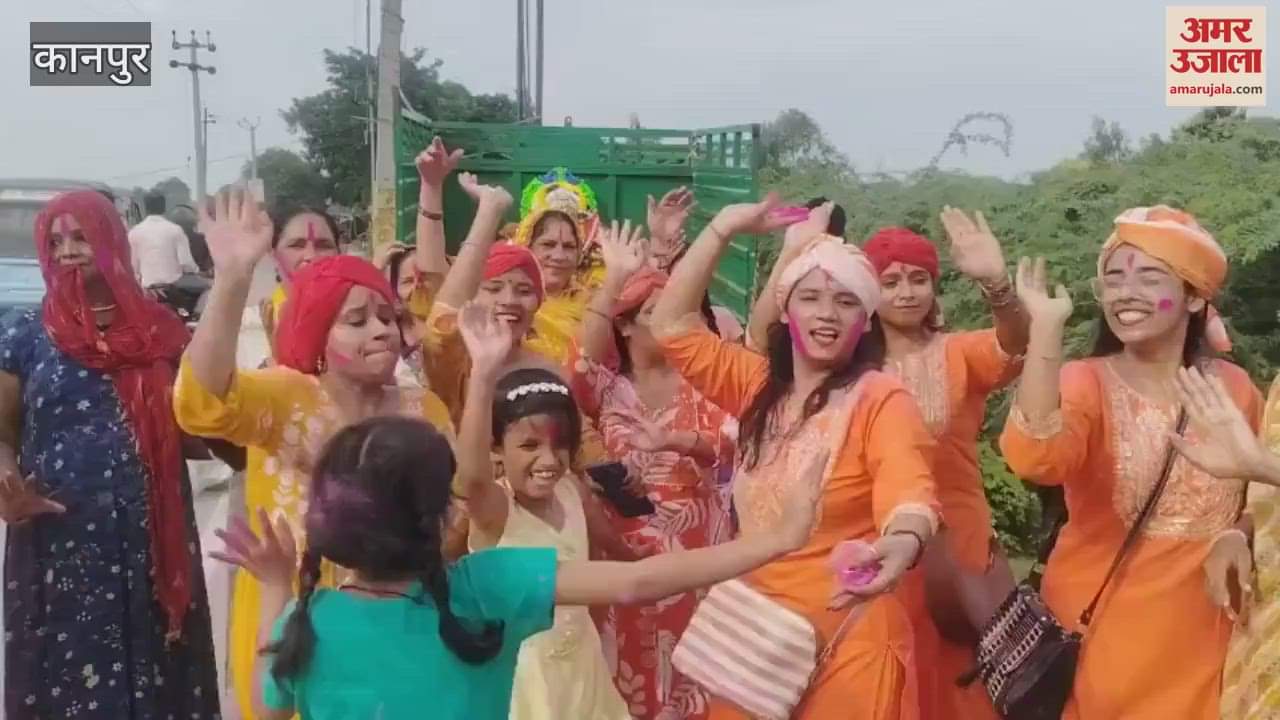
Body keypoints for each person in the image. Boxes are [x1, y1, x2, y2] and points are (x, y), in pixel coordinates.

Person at [213, 409, 821, 720]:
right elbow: (638, 581)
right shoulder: (483, 588)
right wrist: (778, 538)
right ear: (439, 520)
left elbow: (266, 709)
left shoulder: (308, 621)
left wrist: (273, 584)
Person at [650, 196, 940, 719]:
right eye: (810, 297)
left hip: (845, 639)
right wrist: (722, 227)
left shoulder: (881, 399)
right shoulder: (757, 384)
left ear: (867, 318)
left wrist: (903, 541)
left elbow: (910, 487)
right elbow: (671, 323)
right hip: (754, 640)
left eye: (846, 301)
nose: (826, 314)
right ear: (786, 310)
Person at [173, 189, 455, 720]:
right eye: (355, 321)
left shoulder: (425, 409)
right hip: (297, 606)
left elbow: (454, 507)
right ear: (318, 335)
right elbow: (202, 405)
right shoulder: (289, 396)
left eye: (385, 317)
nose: (378, 330)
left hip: (402, 613)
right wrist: (233, 276)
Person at [999, 206, 1261, 720]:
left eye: (1149, 276)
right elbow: (1036, 460)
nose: (1126, 292)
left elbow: (1264, 495)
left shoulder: (1236, 389)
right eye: (1114, 278)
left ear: (1192, 296)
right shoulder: (1084, 380)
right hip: (1101, 635)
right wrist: (1046, 333)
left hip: (1209, 632)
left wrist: (1239, 533)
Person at [0, 190, 220, 718]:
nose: (68, 250)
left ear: (113, 243)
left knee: (161, 664)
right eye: (55, 241)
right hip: (60, 536)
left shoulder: (163, 332)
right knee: (63, 673)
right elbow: (3, 433)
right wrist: (6, 479)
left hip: (152, 536)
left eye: (82, 237)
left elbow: (199, 425)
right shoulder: (26, 334)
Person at [853, 213, 1026, 720]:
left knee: (960, 677)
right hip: (877, 537)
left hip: (959, 542)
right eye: (889, 281)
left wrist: (997, 285)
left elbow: (1015, 345)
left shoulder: (957, 352)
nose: (906, 292)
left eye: (918, 279)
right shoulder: (849, 367)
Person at [569, 223, 737, 720]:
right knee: (630, 673)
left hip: (700, 553)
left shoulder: (707, 381)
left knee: (697, 677)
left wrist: (683, 443)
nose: (667, 323)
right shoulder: (608, 389)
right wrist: (614, 277)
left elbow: (734, 451)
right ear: (623, 325)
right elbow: (576, 367)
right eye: (651, 313)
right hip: (625, 555)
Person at [1152, 366, 1279, 719]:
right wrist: (1239, 532)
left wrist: (1265, 467)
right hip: (1263, 631)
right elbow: (1268, 493)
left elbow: (1268, 468)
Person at [509, 167, 605, 364]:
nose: (559, 256)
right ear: (527, 247)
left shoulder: (593, 304)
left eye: (569, 246)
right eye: (548, 244)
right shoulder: (504, 299)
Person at [258, 206, 344, 353]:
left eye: (324, 245)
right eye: (296, 245)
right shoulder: (251, 327)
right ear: (273, 254)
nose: (311, 256)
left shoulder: (364, 315)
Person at [129, 192, 199, 288]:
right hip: (174, 289)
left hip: (147, 289)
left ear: (146, 208)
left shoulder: (134, 232)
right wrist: (197, 271)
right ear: (164, 208)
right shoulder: (175, 229)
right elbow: (186, 263)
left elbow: (134, 267)